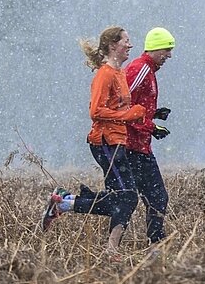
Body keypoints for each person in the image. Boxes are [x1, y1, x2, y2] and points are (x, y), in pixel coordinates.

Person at [41, 26, 144, 258]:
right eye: (126, 41)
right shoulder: (105, 74)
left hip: (118, 142)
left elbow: (120, 108)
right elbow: (96, 111)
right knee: (128, 197)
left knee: (123, 198)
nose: (130, 45)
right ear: (112, 46)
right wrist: (128, 116)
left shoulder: (119, 73)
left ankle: (66, 204)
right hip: (104, 143)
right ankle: (67, 206)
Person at [124, 27, 175, 247]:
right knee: (152, 198)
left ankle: (154, 244)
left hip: (139, 145)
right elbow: (122, 106)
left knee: (128, 199)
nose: (169, 56)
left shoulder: (149, 70)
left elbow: (135, 106)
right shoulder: (141, 69)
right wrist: (151, 127)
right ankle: (155, 245)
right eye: (166, 50)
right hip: (130, 145)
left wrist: (153, 113)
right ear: (154, 49)